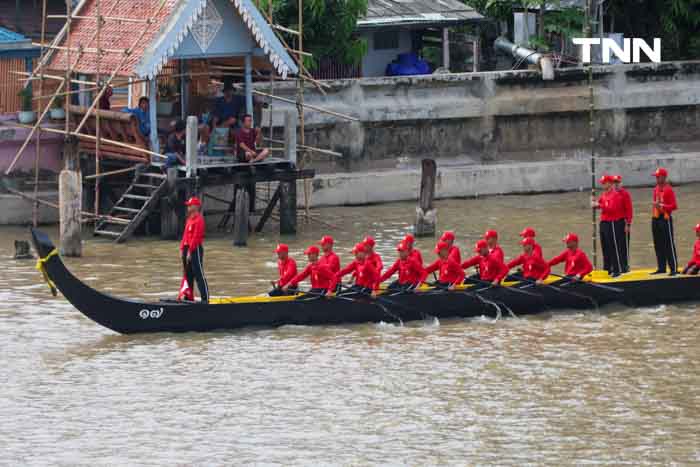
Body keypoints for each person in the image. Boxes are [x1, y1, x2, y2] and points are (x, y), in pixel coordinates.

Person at [592, 174, 625, 277]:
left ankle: (616, 269)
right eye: (602, 183)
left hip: (612, 223)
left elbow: (611, 209)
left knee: (613, 247)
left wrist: (598, 205)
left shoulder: (615, 195)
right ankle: (607, 268)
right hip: (604, 223)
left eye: (604, 183)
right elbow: (600, 205)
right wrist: (594, 202)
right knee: (605, 247)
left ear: (610, 183)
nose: (603, 185)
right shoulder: (604, 195)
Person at [179, 196, 209, 303]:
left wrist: (190, 252)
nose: (188, 207)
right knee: (188, 275)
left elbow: (197, 236)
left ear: (196, 207)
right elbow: (185, 235)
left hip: (195, 248)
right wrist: (182, 249)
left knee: (198, 274)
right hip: (187, 249)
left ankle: (205, 299)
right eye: (188, 205)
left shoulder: (199, 219)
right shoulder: (189, 219)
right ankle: (188, 298)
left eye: (190, 205)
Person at [651, 167, 679, 276]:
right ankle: (661, 267)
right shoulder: (655, 189)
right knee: (658, 244)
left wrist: (662, 205)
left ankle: (673, 268)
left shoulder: (669, 189)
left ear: (663, 177)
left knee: (668, 244)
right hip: (656, 218)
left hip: (665, 218)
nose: (656, 179)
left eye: (658, 177)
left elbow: (674, 206)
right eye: (656, 177)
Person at [613, 175, 633, 271]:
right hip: (613, 223)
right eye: (614, 183)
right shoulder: (611, 194)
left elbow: (629, 210)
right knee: (615, 245)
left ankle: (625, 266)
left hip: (623, 222)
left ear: (621, 183)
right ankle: (616, 266)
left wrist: (628, 224)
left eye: (617, 183)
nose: (616, 185)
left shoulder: (625, 194)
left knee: (623, 246)